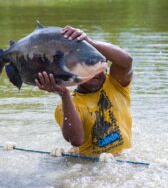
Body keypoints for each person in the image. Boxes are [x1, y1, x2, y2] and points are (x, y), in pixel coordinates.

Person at [35, 26, 133, 156]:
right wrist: (64, 94)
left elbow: (127, 61)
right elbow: (76, 140)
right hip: (90, 167)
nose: (92, 74)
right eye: (85, 68)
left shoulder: (116, 84)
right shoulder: (67, 104)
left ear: (105, 65)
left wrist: (89, 42)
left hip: (124, 158)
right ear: (72, 71)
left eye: (95, 67)